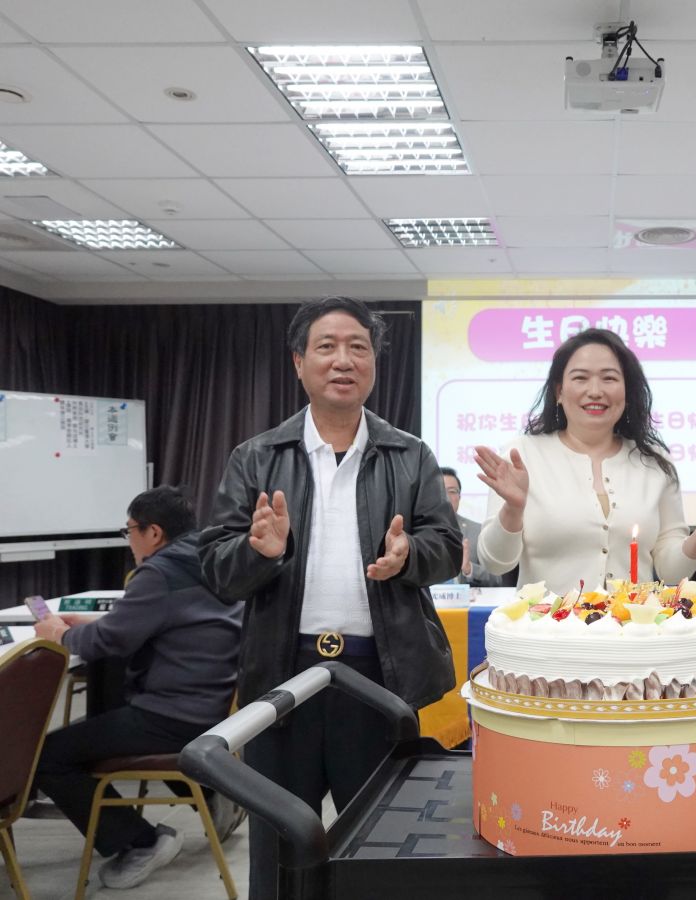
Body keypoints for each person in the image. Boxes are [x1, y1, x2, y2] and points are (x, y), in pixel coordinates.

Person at [198, 296, 461, 900]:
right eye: (327, 347)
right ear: (299, 362)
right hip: (281, 679)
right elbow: (216, 568)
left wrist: (409, 557)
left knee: (377, 850)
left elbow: (447, 548)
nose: (344, 360)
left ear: (374, 364)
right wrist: (260, 553)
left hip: (378, 679)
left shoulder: (410, 454)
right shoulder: (257, 457)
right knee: (278, 855)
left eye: (358, 347)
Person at [32, 486, 242, 891]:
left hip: (173, 715)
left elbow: (107, 643)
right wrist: (96, 626)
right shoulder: (211, 559)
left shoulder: (159, 572)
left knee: (46, 756)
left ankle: (141, 842)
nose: (128, 540)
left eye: (129, 530)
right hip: (212, 707)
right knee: (97, 724)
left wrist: (59, 634)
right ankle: (209, 794)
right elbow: (157, 623)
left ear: (154, 532)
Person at [474, 328, 696, 595]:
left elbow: (670, 571)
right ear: (559, 391)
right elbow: (495, 563)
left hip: (633, 630)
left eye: (609, 378)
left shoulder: (655, 463)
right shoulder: (522, 455)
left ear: (627, 392)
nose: (595, 391)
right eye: (580, 378)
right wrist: (513, 510)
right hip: (546, 630)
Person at [440, 466, 507, 587]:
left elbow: (497, 578)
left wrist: (469, 569)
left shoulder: (477, 531)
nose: (446, 497)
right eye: (440, 490)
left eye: (452, 491)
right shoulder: (416, 531)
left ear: (459, 497)